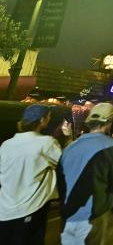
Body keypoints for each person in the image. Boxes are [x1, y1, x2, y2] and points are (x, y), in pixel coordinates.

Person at [59, 103, 113, 245]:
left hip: (68, 215)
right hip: (94, 215)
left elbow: (60, 180)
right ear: (109, 122)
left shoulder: (70, 147)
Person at [0, 105, 61, 245]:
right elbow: (63, 164)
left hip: (4, 210)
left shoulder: (7, 145)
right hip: (31, 209)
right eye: (48, 117)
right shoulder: (47, 143)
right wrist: (68, 138)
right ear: (42, 120)